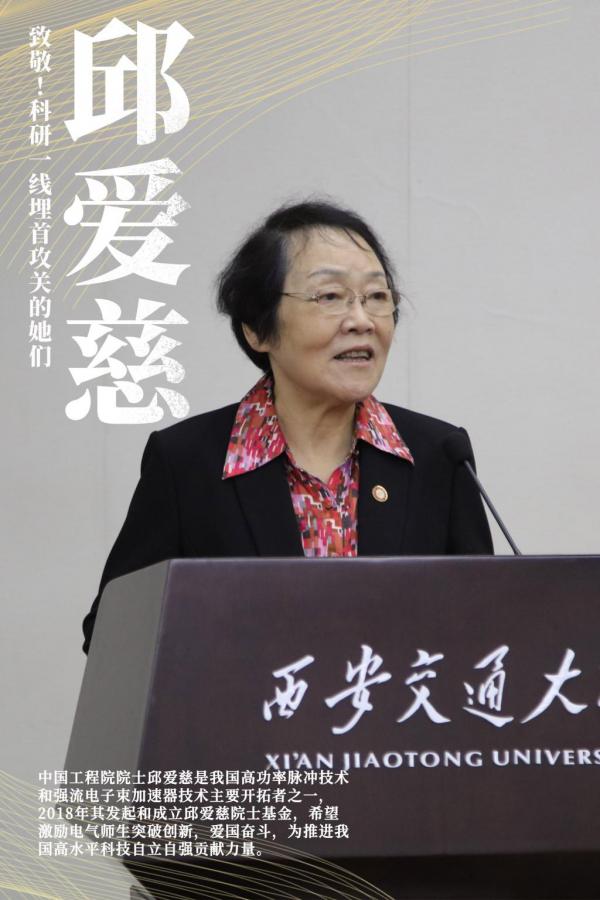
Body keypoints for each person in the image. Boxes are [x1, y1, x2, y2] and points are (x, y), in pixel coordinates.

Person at [82, 200, 492, 654]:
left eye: (377, 297)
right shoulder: (188, 463)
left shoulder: (439, 455)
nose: (361, 321)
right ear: (257, 328)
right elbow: (114, 632)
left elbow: (486, 628)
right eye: (330, 297)